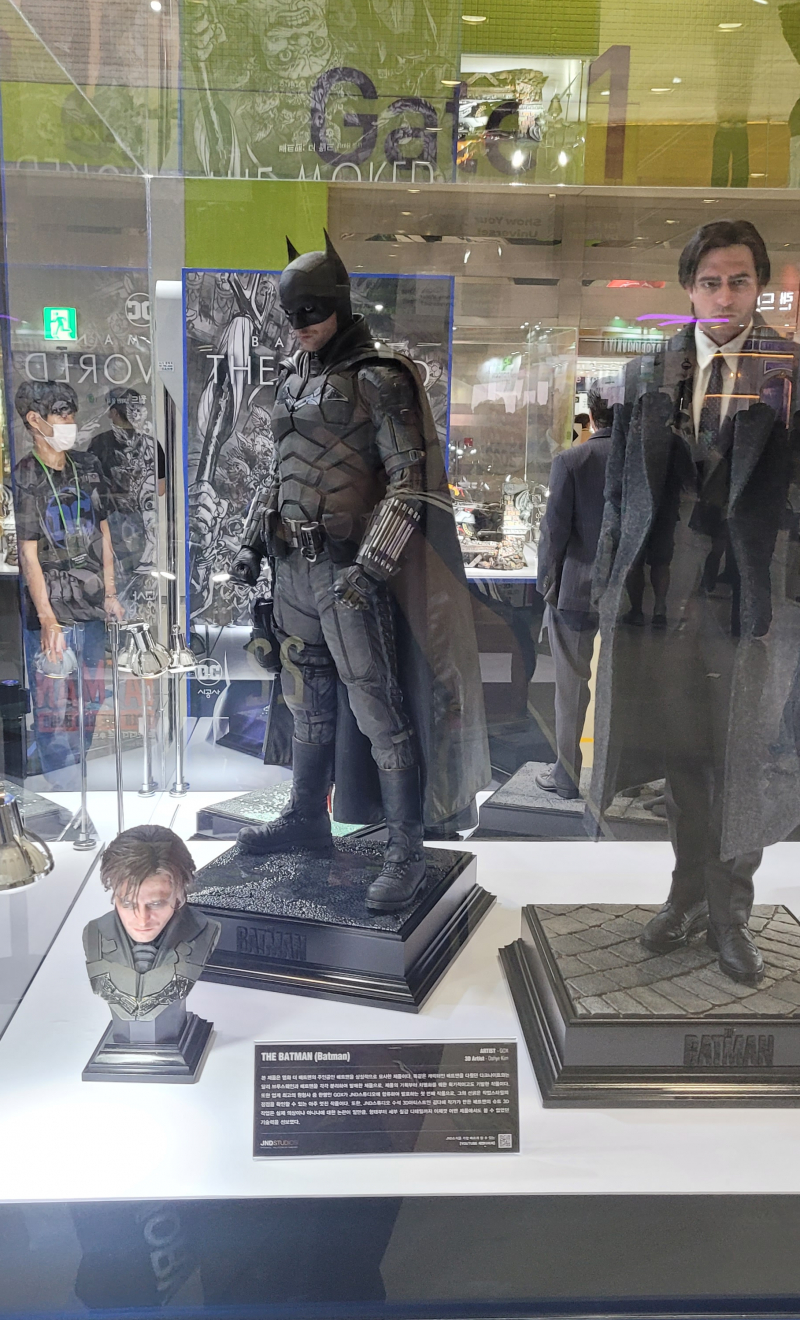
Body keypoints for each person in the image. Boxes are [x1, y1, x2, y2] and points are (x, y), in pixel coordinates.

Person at [231, 231, 489, 912]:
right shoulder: (293, 379)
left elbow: (411, 487)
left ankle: (405, 848)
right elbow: (279, 476)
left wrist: (371, 569)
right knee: (306, 700)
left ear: (340, 303)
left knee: (377, 707)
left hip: (347, 569)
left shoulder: (380, 377)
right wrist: (253, 545)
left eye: (312, 310)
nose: (301, 324)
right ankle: (306, 816)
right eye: (291, 313)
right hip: (293, 568)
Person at [591, 219, 800, 986]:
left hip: (756, 596)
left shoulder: (791, 373)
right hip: (665, 597)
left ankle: (729, 914)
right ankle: (684, 895)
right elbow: (620, 493)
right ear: (689, 288)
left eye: (739, 281)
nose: (724, 296)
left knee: (746, 756)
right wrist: (609, 583)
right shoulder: (651, 373)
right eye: (710, 282)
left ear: (759, 286)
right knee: (681, 751)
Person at [13, 379, 124, 785]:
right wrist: (47, 619)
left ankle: (78, 774)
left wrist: (110, 592)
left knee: (90, 696)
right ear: (35, 419)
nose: (70, 423)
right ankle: (60, 784)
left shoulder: (87, 466)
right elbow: (28, 554)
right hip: (51, 609)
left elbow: (104, 533)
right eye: (61, 416)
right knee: (51, 702)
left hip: (90, 602)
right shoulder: (25, 475)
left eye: (71, 414)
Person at [536, 388, 613, 799]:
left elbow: (554, 531)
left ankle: (566, 775)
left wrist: (546, 584)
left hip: (577, 587)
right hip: (628, 592)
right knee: (624, 687)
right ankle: (616, 781)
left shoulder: (572, 460)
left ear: (592, 417)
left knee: (570, 687)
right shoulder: (639, 463)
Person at [82, 824, 220, 1023]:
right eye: (128, 904)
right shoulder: (95, 934)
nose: (142, 919)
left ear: (180, 893)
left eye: (156, 904)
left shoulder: (204, 933)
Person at [90, 386, 165, 602]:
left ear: (113, 413)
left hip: (118, 525)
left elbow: (91, 490)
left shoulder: (99, 443)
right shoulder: (152, 445)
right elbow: (161, 489)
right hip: (131, 524)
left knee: (123, 579)